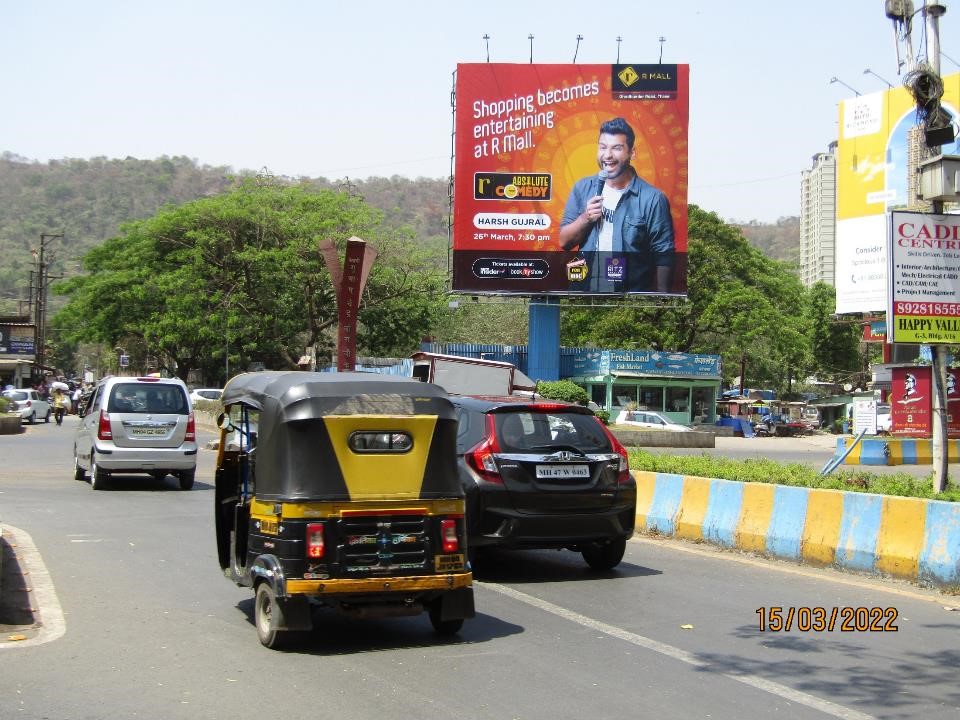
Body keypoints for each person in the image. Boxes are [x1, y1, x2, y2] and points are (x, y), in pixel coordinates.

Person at [559, 117, 675, 293]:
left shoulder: (653, 198)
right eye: (603, 147)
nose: (607, 155)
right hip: (585, 296)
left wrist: (661, 300)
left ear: (632, 153)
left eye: (617, 148)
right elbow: (564, 241)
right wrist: (585, 218)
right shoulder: (582, 188)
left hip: (630, 302)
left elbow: (664, 255)